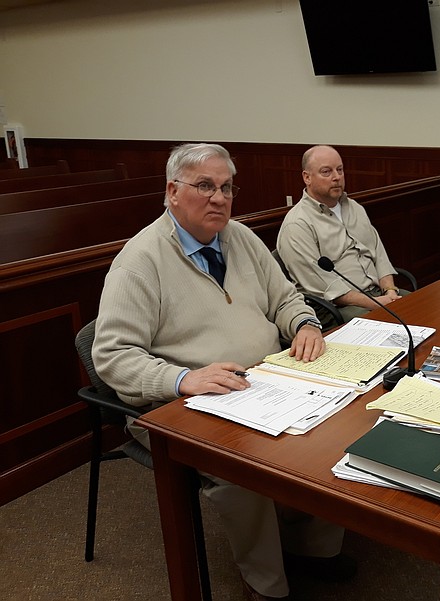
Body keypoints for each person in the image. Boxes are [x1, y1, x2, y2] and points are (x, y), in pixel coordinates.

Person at [92, 143, 352, 600]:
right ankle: (266, 583)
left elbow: (285, 297)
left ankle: (311, 549)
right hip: (180, 403)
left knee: (330, 425)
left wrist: (304, 324)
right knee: (243, 469)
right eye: (205, 186)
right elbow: (112, 356)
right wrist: (181, 379)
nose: (219, 198)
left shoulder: (242, 237)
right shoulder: (140, 261)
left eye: (227, 187)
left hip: (264, 381)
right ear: (173, 192)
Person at [277, 145, 407, 328]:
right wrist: (378, 303)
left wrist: (391, 291)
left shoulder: (354, 207)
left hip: (379, 293)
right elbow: (325, 287)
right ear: (307, 177)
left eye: (339, 170)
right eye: (326, 172)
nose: (336, 177)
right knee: (392, 326)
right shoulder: (297, 225)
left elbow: (379, 254)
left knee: (423, 308)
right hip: (338, 306)